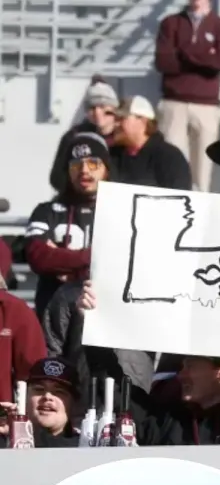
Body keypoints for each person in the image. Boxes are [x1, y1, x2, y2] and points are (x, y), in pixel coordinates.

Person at [25, 133, 107, 319]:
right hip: (53, 319)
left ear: (106, 169)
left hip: (105, 321)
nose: (84, 170)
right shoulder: (46, 211)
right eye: (76, 165)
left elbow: (124, 263)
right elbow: (38, 257)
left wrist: (65, 264)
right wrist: (92, 257)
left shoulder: (122, 211)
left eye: (93, 163)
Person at [155, 0, 220, 192]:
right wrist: (205, 54)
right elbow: (164, 62)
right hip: (173, 103)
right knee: (171, 164)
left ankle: (200, 206)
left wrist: (182, 51)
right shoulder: (170, 23)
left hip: (206, 106)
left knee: (203, 170)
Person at [49, 78, 119, 196]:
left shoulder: (126, 138)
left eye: (102, 106)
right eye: (92, 108)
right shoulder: (73, 137)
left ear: (113, 109)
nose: (97, 112)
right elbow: (57, 177)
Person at [109, 95, 192, 190]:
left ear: (143, 121)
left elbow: (179, 194)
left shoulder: (169, 157)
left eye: (121, 119)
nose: (115, 124)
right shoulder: (112, 155)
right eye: (115, 119)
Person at [0, 357, 80, 447]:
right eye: (39, 389)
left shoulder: (85, 446)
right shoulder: (6, 438)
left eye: (59, 392)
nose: (47, 396)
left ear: (74, 403)